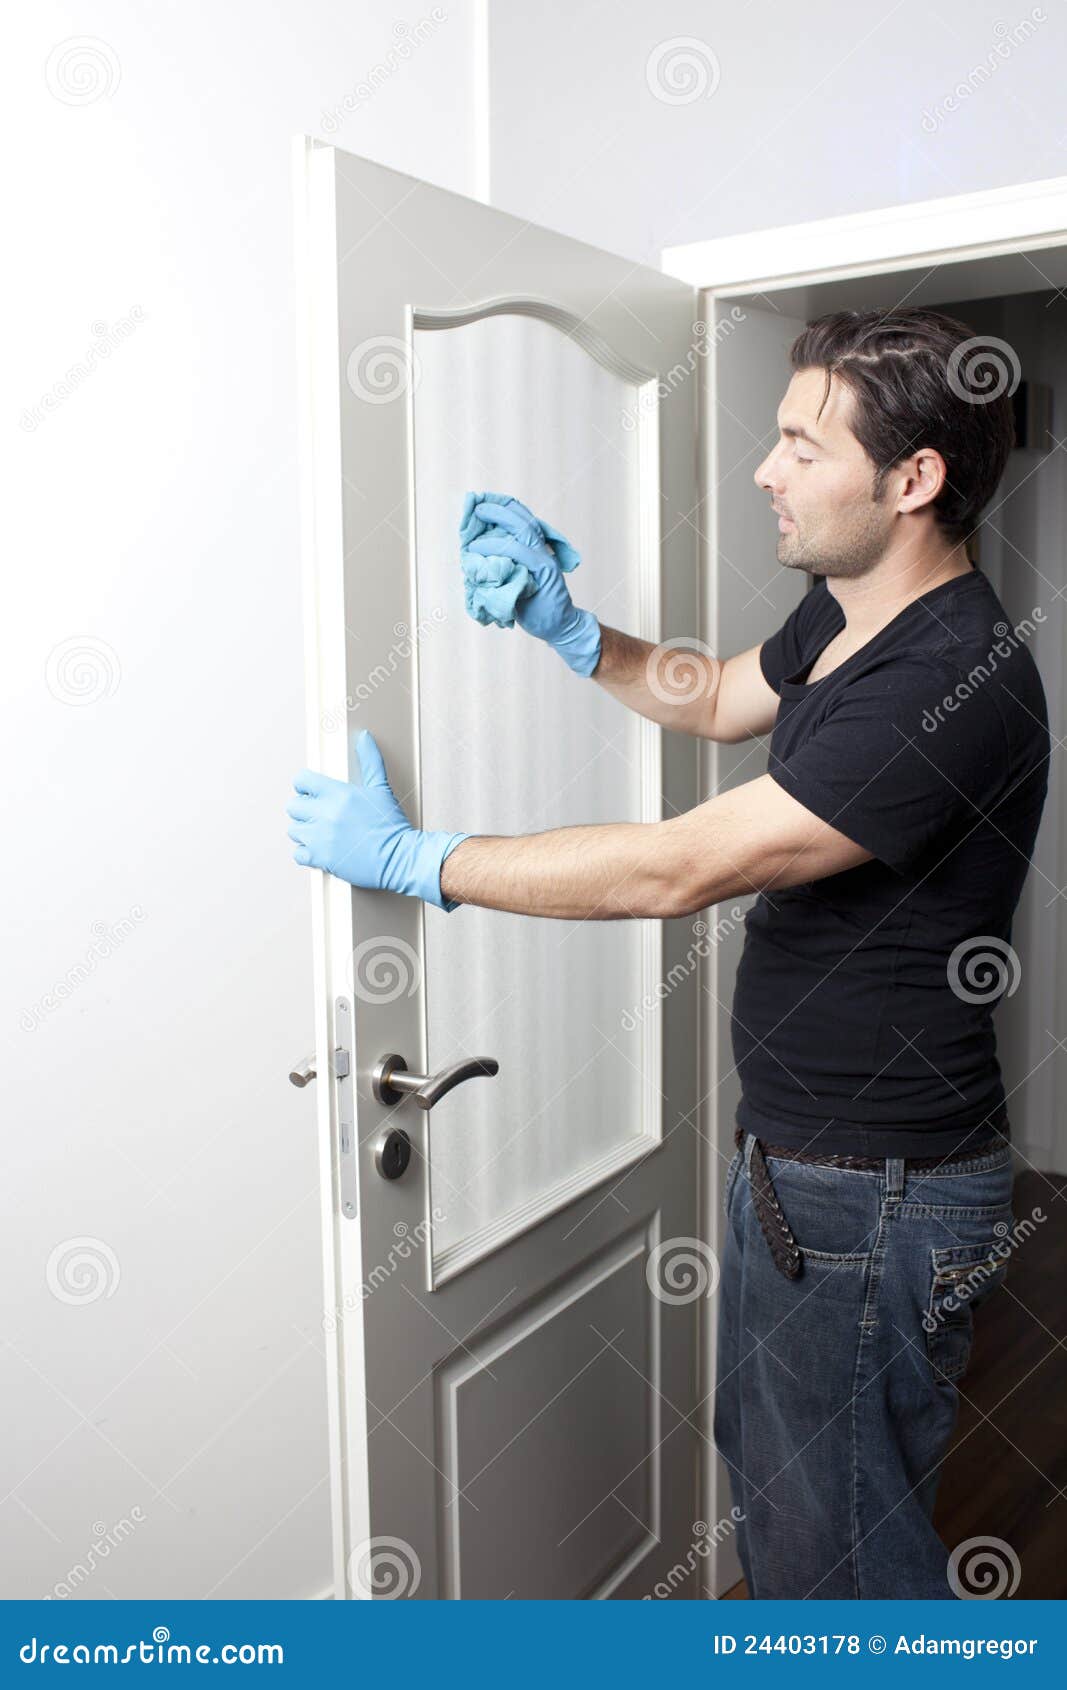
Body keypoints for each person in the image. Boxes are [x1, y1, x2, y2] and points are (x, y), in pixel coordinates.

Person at [286, 306, 1049, 1600]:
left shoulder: (949, 679)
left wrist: (424, 860)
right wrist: (571, 628)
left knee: (840, 1559)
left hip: (876, 1192)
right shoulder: (850, 617)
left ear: (912, 480)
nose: (769, 468)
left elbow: (678, 865)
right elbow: (716, 696)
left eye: (805, 445)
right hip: (808, 1168)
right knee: (792, 1489)